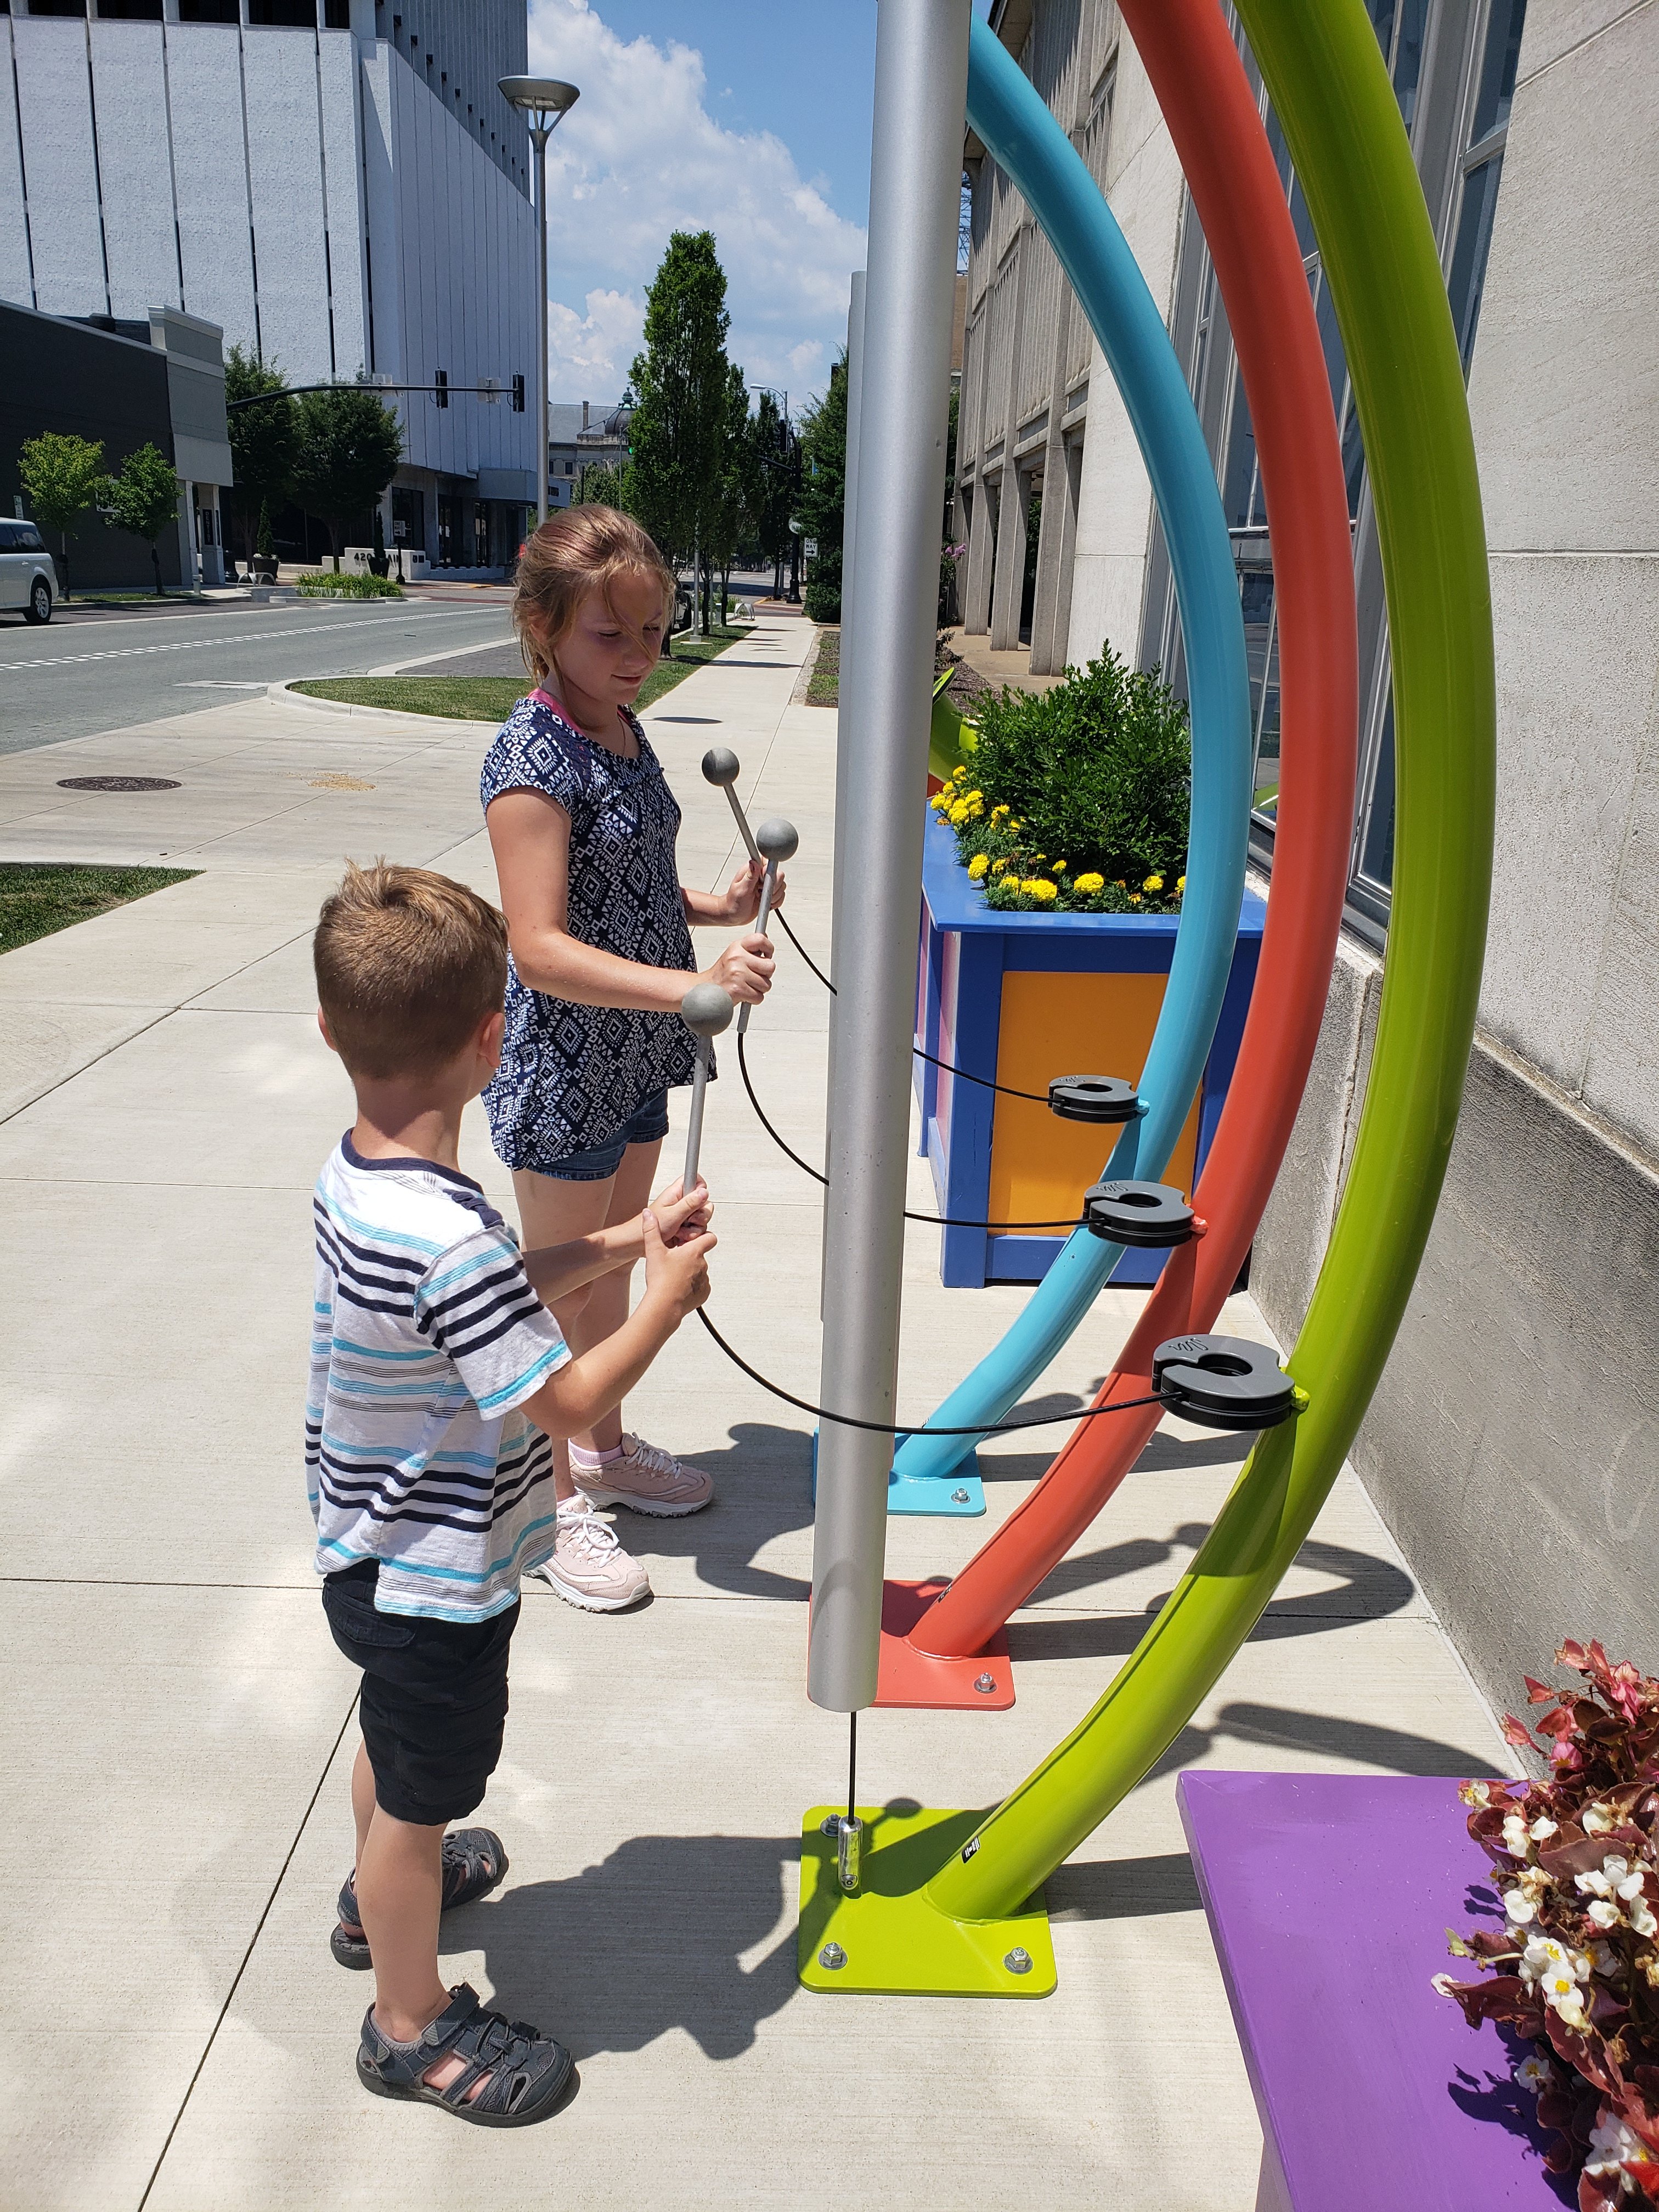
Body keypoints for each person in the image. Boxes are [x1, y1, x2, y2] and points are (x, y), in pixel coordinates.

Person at [309, 861, 714, 2125]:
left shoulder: (367, 1181)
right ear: (496, 1043)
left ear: (330, 1031)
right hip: (434, 1582)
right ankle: (408, 2023)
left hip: (368, 1548)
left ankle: (379, 1899)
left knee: (395, 1751)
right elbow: (571, 1405)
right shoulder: (453, 1240)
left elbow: (486, 1294)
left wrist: (615, 1242)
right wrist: (661, 1304)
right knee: (421, 1795)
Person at [479, 505, 783, 1613]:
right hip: (567, 1063)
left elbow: (631, 884)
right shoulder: (529, 756)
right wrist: (692, 988)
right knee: (557, 1296)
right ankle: (549, 1502)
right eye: (612, 634)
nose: (641, 654)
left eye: (655, 629)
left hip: (638, 1053)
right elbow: (540, 945)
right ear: (543, 626)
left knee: (615, 1267)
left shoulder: (620, 723)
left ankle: (601, 1451)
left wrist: (717, 906)